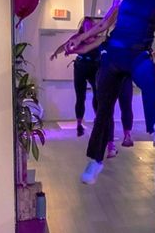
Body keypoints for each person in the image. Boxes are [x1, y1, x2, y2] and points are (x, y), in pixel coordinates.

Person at [66, 0, 155, 184]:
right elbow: (104, 24)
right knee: (103, 109)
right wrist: (81, 38)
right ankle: (95, 160)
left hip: (138, 55)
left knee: (150, 83)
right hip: (114, 55)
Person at [51, 17, 135, 152]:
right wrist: (64, 51)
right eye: (87, 26)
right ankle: (102, 138)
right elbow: (83, 49)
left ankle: (125, 135)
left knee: (122, 104)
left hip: (118, 74)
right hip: (89, 69)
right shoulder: (97, 38)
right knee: (87, 99)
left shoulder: (121, 40)